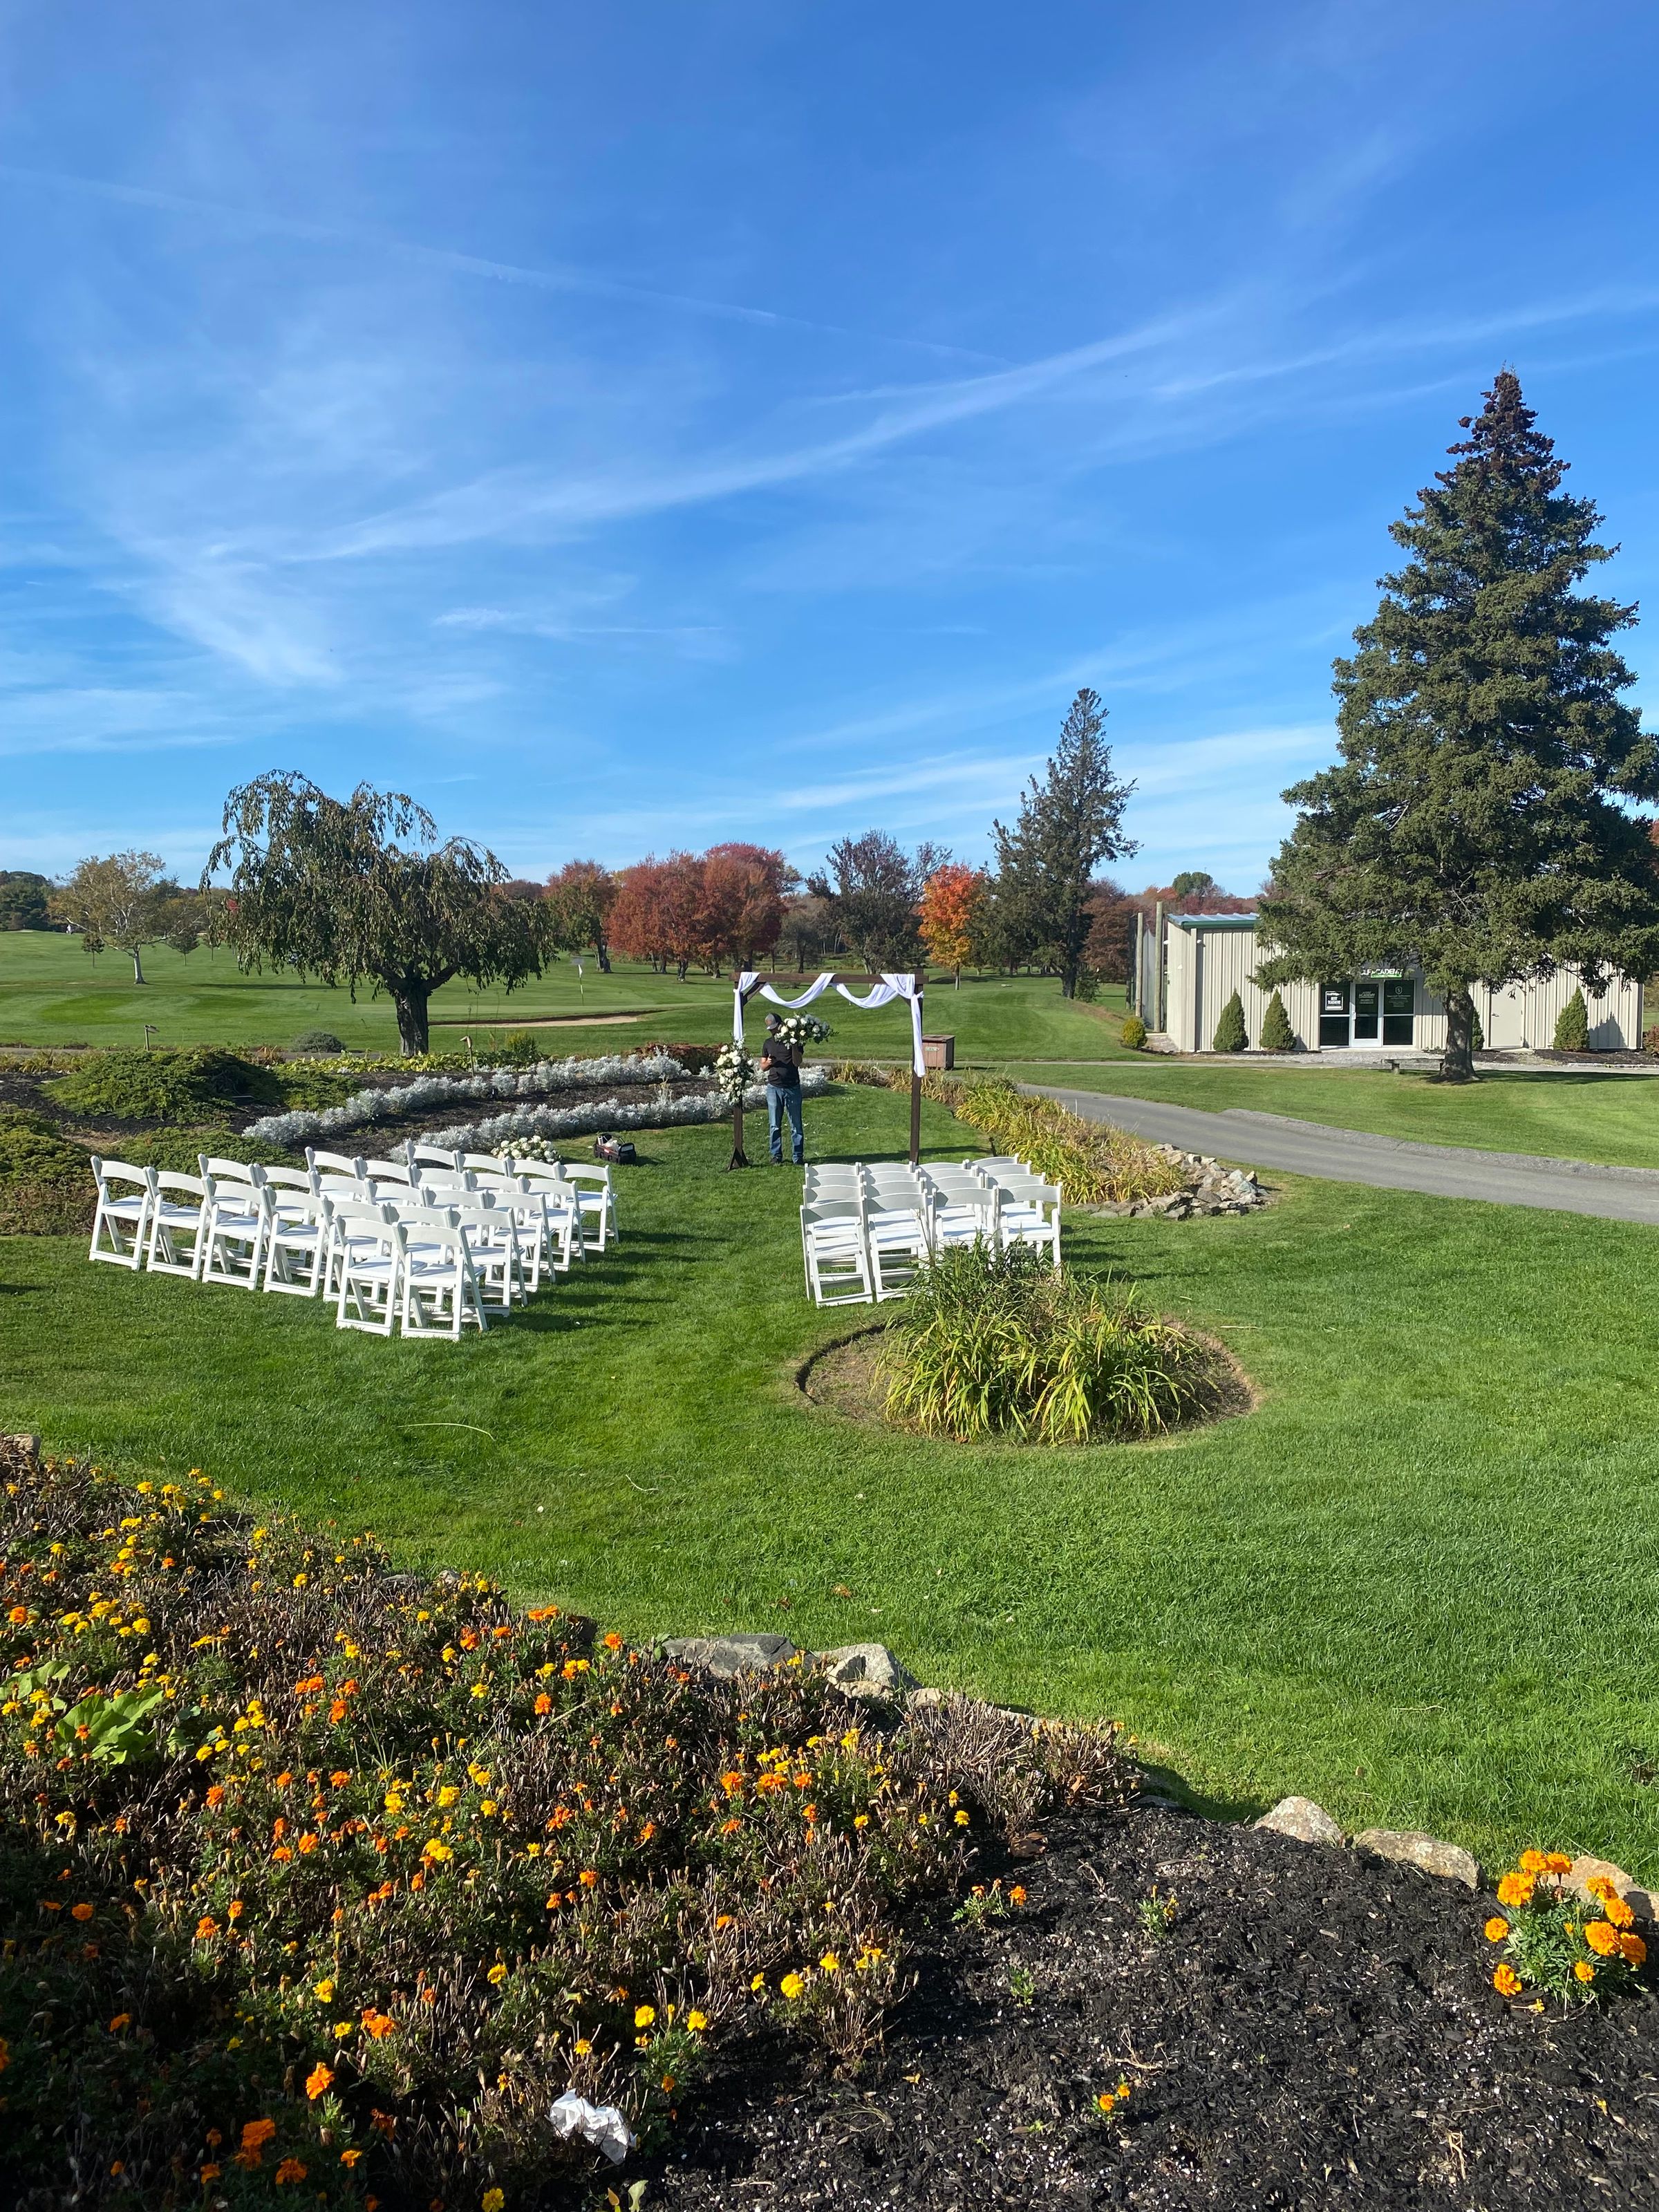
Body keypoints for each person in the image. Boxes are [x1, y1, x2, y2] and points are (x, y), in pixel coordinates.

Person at [761, 1012, 804, 1165]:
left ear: (781, 1026)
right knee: (774, 1125)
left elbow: (798, 1062)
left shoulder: (795, 1041)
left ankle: (798, 1156)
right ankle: (776, 1155)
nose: (773, 1031)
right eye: (770, 1029)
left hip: (792, 1087)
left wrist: (793, 1046)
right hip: (774, 1087)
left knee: (796, 1125)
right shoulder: (767, 1043)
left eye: (774, 1028)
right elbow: (763, 1066)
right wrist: (769, 1063)